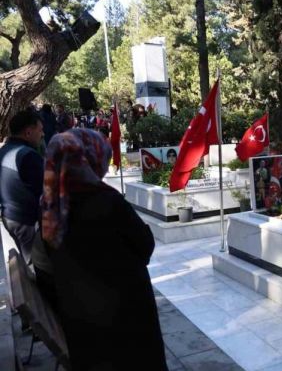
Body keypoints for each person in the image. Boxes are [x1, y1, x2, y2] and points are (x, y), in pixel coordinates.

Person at [41, 129, 167, 370]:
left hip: (81, 322)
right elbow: (145, 246)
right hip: (127, 319)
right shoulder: (107, 201)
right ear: (88, 160)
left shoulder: (49, 207)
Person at [0, 110, 45, 264]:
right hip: (25, 222)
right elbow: (45, 192)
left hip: (10, 216)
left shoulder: (4, 151)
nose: (43, 134)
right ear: (28, 132)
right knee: (36, 266)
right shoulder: (28, 156)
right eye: (40, 130)